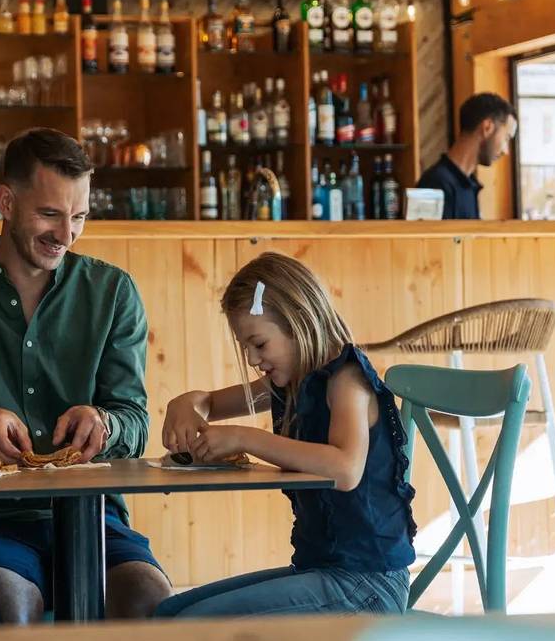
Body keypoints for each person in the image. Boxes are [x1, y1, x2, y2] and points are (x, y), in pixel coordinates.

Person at [0, 128, 172, 624]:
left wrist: (106, 424)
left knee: (149, 601)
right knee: (6, 605)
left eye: (79, 217)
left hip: (96, 518)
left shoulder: (113, 292)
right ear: (6, 202)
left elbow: (134, 421)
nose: (66, 234)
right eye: (49, 214)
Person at [155, 252, 416, 618]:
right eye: (246, 346)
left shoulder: (346, 381)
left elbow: (345, 469)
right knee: (166, 614)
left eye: (259, 344)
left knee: (189, 622)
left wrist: (247, 439)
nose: (251, 358)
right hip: (324, 572)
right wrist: (183, 405)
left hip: (367, 585)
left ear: (299, 323)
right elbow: (208, 403)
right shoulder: (290, 384)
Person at [415, 93, 518, 219]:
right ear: (487, 128)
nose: (505, 151)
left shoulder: (469, 186)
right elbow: (421, 239)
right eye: (506, 138)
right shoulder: (432, 185)